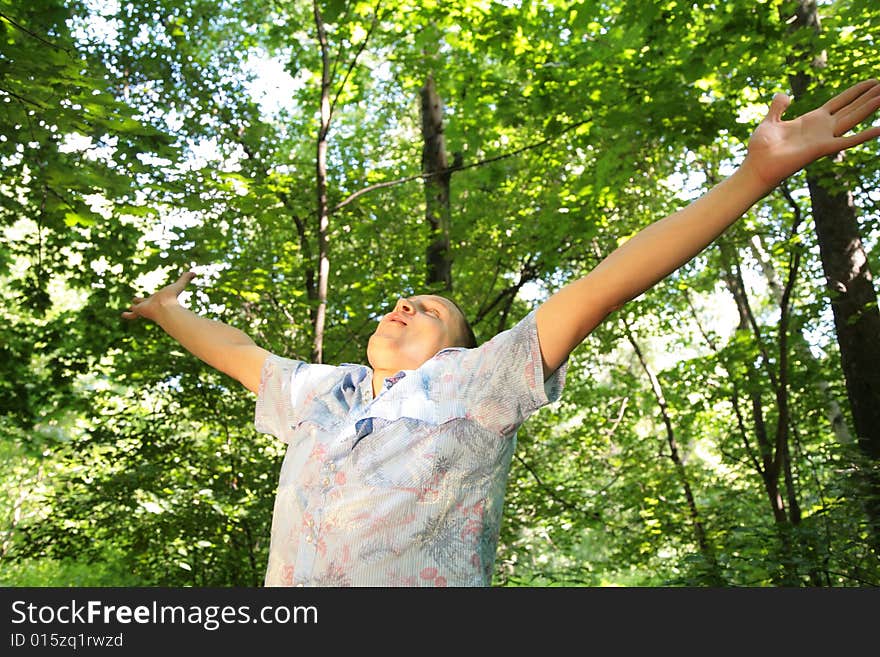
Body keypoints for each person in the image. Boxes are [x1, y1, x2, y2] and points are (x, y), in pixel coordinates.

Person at [123, 79, 880, 586]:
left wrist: (753, 176)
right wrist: (167, 310)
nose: (406, 306)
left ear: (460, 347)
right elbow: (240, 354)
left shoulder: (475, 383)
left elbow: (603, 285)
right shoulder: (324, 393)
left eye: (430, 309)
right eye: (403, 301)